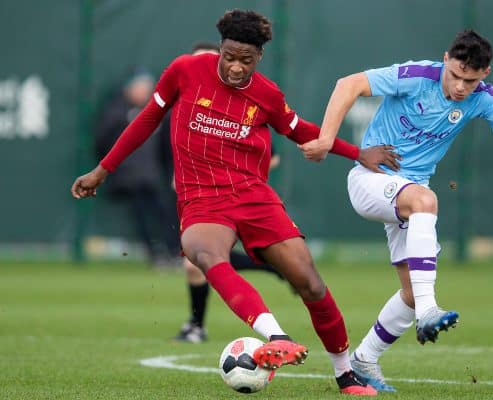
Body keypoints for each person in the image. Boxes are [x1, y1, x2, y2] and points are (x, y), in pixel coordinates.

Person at [71, 9, 399, 396]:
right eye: (229, 56)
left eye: (246, 60)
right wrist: (102, 170)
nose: (236, 67)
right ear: (220, 49)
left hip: (253, 195)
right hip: (201, 198)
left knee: (309, 283)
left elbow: (301, 131)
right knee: (204, 255)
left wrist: (356, 152)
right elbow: (146, 120)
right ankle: (276, 336)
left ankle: (346, 375)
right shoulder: (185, 71)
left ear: (259, 57)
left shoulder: (267, 94)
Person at [299, 29, 493, 392]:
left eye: (470, 80)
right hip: (370, 180)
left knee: (411, 293)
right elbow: (347, 84)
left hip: (407, 194)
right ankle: (430, 312)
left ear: (485, 74)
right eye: (456, 75)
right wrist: (327, 139)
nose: (460, 87)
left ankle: (365, 359)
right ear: (445, 59)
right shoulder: (417, 76)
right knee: (426, 201)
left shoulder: (482, 98)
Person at [172, 41, 286, 344]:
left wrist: (239, 175)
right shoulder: (183, 103)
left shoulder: (238, 107)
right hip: (195, 197)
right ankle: (269, 266)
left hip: (235, 198)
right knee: (200, 260)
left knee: (198, 261)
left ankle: (196, 326)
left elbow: (273, 154)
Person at [95, 68, 180, 266]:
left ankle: (173, 252)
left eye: (146, 89)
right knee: (142, 214)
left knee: (166, 212)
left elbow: (167, 147)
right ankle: (156, 254)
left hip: (154, 177)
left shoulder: (157, 112)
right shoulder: (117, 111)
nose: (143, 93)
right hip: (129, 177)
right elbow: (102, 141)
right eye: (139, 88)